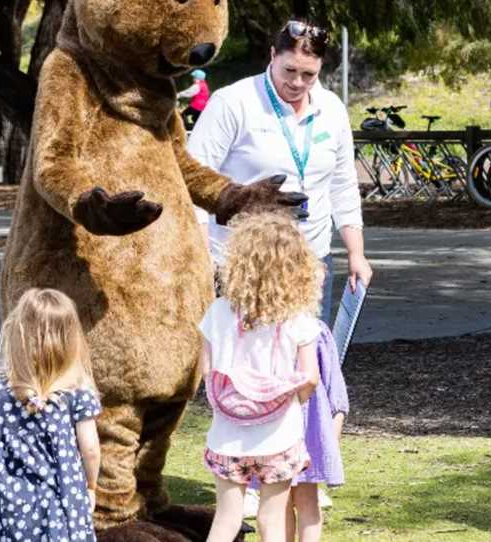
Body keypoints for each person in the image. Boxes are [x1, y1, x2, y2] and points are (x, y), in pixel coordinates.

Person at [187, 19, 372, 324]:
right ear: (273, 55)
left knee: (307, 363)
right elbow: (195, 182)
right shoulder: (233, 103)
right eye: (289, 71)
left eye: (309, 74)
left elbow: (342, 184)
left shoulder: (332, 109)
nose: (297, 82)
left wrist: (356, 253)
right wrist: (202, 256)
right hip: (244, 264)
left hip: (311, 263)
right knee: (248, 367)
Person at [201, 211, 322, 542]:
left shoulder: (217, 312)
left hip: (226, 435)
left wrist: (232, 403)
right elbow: (309, 377)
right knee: (271, 519)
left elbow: (206, 371)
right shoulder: (298, 319)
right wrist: (290, 399)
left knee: (226, 519)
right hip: (279, 435)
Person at [0, 288, 101, 541]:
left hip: (8, 500)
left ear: (17, 334)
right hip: (63, 502)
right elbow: (91, 449)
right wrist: (91, 486)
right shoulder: (76, 390)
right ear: (70, 339)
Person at [285, 327, 349, 542]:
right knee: (280, 502)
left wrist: (331, 437)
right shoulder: (263, 330)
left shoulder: (314, 331)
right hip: (280, 431)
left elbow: (333, 389)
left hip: (303, 431)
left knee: (302, 499)